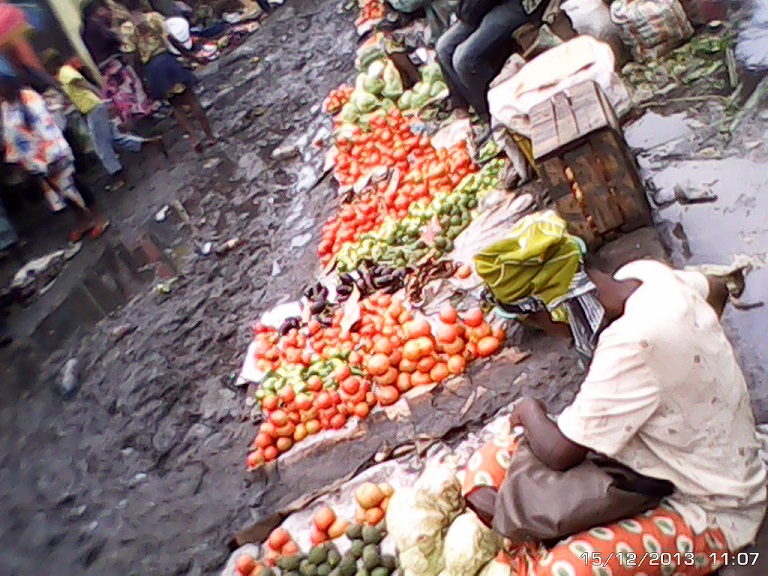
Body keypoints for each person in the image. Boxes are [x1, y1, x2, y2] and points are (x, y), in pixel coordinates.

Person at [466, 211, 766, 576]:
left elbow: (561, 453)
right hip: (686, 451)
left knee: (565, 568)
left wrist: (527, 408)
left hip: (716, 505)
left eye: (542, 325)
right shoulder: (645, 274)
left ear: (557, 311)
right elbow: (715, 288)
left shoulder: (629, 345)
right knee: (492, 459)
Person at [0, 74, 107, 242]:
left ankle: (99, 217)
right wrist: (19, 161)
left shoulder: (28, 97)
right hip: (34, 161)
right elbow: (9, 133)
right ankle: (83, 221)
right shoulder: (6, 107)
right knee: (61, 192)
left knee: (74, 184)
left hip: (53, 154)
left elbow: (44, 125)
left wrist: (49, 158)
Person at [43, 49, 165, 185]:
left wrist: (102, 98)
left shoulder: (64, 73)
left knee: (100, 145)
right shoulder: (65, 73)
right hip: (93, 107)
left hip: (92, 108)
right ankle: (151, 143)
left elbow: (84, 85)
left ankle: (119, 175)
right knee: (115, 138)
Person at [119, 0, 216, 152]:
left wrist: (142, 80)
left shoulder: (126, 29)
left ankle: (194, 137)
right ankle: (210, 136)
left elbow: (133, 58)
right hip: (167, 61)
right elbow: (172, 40)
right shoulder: (153, 17)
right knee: (191, 99)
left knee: (176, 105)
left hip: (152, 70)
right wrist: (192, 57)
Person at [436, 0, 550, 126]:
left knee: (464, 60)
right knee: (444, 48)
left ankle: (498, 118)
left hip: (521, 4)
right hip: (488, 6)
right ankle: (480, 115)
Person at [81, 1, 158, 125]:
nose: (106, 12)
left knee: (123, 91)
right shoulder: (96, 25)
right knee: (131, 86)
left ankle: (137, 115)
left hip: (105, 65)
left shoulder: (85, 29)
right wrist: (115, 32)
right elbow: (112, 38)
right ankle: (142, 113)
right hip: (113, 62)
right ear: (96, 11)